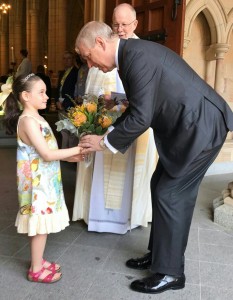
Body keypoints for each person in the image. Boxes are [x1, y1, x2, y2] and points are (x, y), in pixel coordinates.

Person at [75, 21, 233, 294]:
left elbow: (141, 117)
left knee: (170, 195)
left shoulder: (134, 57)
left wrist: (103, 143)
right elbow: (139, 107)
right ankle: (160, 256)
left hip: (201, 127)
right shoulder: (129, 56)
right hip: (189, 127)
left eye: (87, 56)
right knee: (159, 185)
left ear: (100, 43)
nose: (89, 65)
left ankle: (171, 273)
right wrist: (108, 132)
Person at [72, 3, 156, 234]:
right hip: (103, 127)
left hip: (132, 130)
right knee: (100, 173)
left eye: (124, 24)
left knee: (126, 175)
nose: (119, 29)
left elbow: (144, 102)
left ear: (135, 24)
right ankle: (97, 218)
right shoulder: (101, 52)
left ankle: (127, 218)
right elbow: (92, 95)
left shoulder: (141, 52)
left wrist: (116, 100)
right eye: (115, 24)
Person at [3, 73, 83, 283]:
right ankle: (35, 269)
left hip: (46, 179)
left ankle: (38, 260)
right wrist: (77, 149)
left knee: (42, 224)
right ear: (26, 96)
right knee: (39, 223)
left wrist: (71, 156)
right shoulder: (28, 121)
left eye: (46, 92)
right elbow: (46, 154)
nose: (47, 96)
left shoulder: (37, 117)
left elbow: (48, 151)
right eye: (41, 92)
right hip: (36, 184)